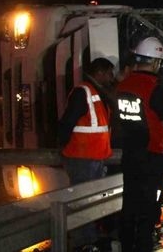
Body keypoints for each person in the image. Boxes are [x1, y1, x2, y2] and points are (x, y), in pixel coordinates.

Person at [116, 37, 163, 252]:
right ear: (155, 63)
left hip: (130, 155)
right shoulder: (152, 87)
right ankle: (144, 246)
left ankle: (127, 245)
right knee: (149, 207)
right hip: (150, 157)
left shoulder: (124, 85)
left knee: (130, 205)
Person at [58, 57, 115, 250]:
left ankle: (89, 241)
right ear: (100, 72)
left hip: (92, 158)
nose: (111, 77)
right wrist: (65, 149)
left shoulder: (95, 92)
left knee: (89, 202)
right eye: (109, 73)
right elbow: (67, 123)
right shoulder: (83, 92)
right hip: (82, 159)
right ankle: (84, 244)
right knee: (83, 203)